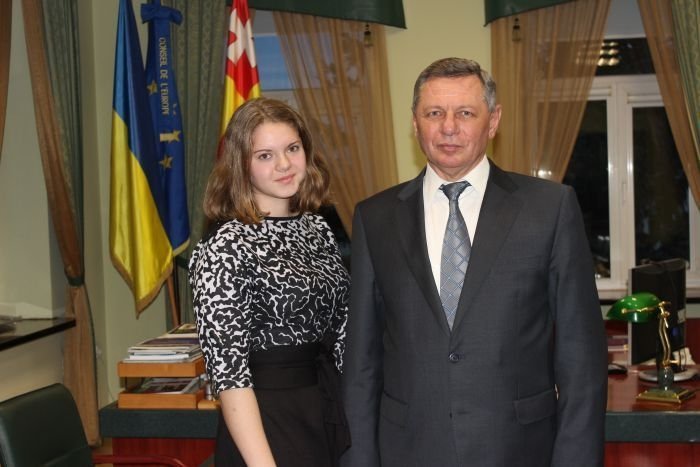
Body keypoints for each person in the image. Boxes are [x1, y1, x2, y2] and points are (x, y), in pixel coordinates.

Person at [341, 57, 607, 467]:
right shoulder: (374, 218)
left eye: (465, 113)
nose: (449, 127)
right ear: (415, 123)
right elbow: (361, 362)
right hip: (409, 451)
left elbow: (581, 359)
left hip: (519, 450)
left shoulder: (549, 209)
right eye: (434, 113)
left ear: (493, 121)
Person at [189, 97, 350, 467]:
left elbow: (342, 335)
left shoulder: (318, 229)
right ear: (241, 165)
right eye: (265, 155)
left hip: (324, 408)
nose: (284, 164)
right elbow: (229, 376)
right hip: (264, 422)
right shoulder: (225, 246)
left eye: (292, 148)